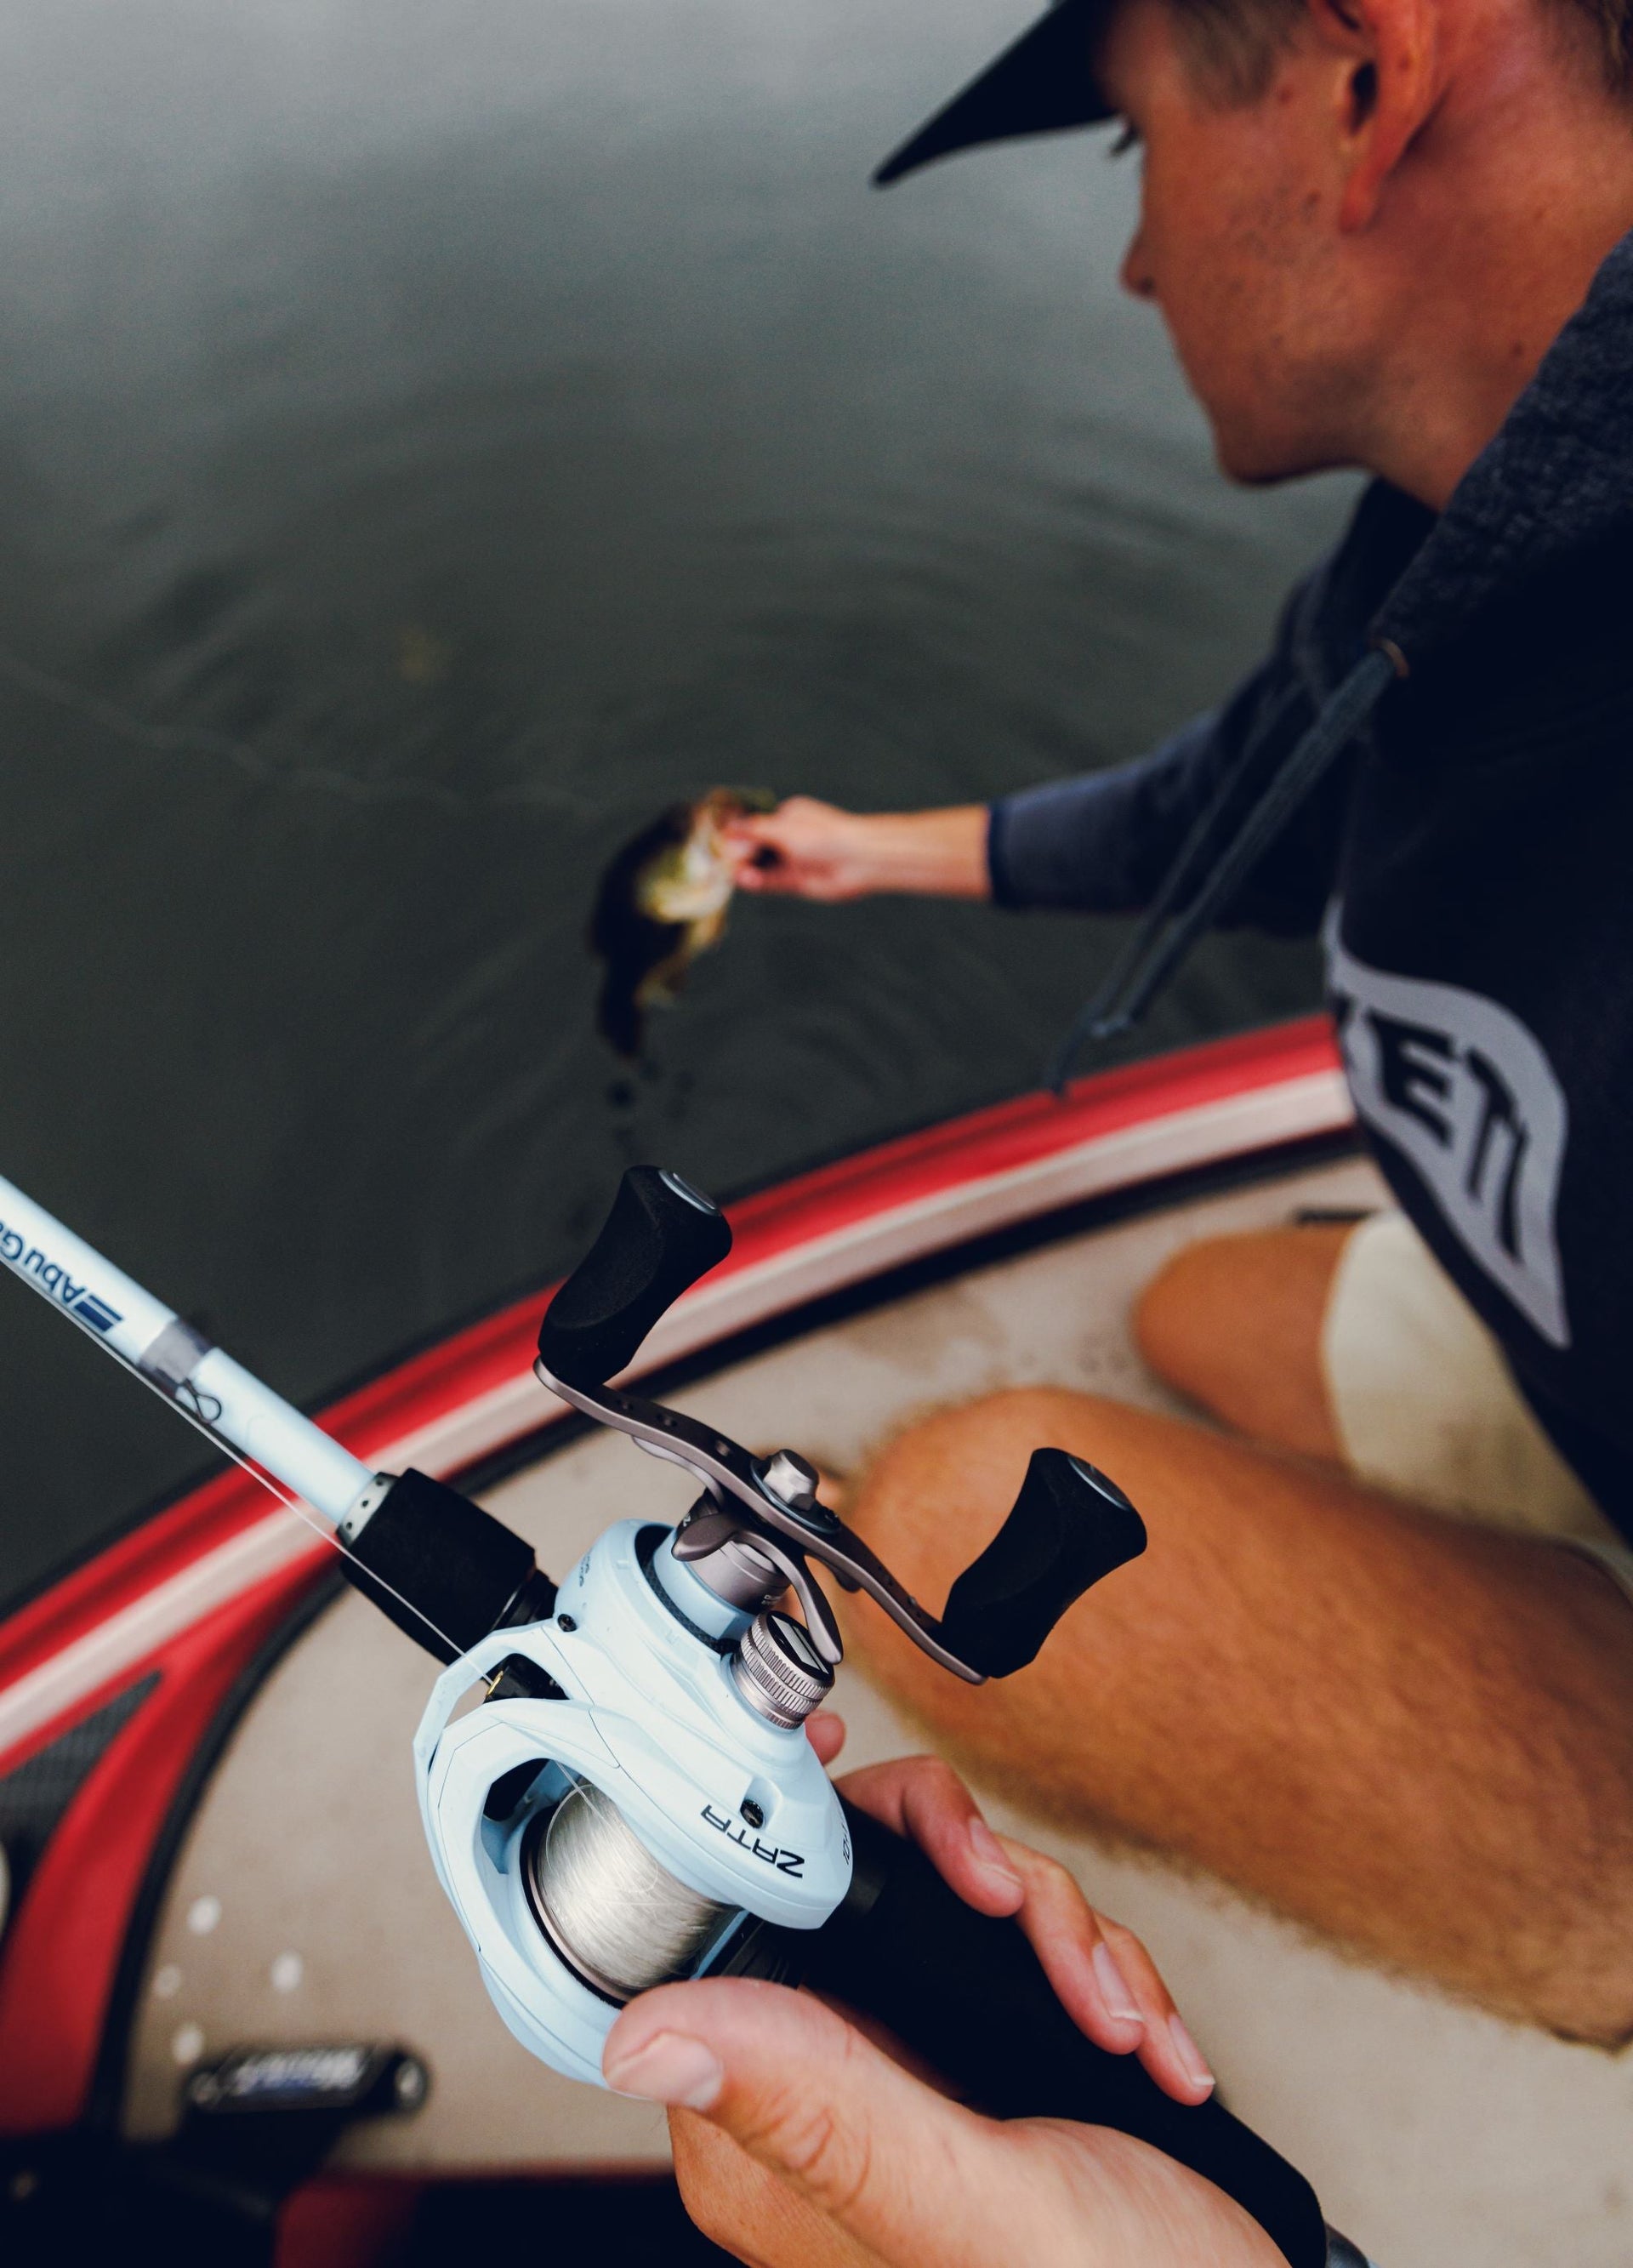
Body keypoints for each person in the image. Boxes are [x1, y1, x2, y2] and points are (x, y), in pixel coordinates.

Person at [608, 0, 1633, 2254]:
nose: (1136, 267)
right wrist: (873, 848)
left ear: (1370, 81)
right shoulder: (1458, 546)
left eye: (1134, 151)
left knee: (966, 1520)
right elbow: (1245, 800)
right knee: (1195, 1307)